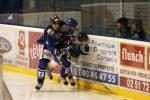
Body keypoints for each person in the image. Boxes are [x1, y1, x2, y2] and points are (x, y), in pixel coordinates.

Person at [35, 15, 62, 90]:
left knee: (60, 61)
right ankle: (40, 82)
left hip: (57, 47)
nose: (56, 26)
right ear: (51, 23)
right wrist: (54, 51)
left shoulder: (61, 27)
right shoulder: (49, 31)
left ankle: (49, 69)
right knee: (42, 64)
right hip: (48, 47)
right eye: (55, 24)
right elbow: (49, 45)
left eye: (58, 24)